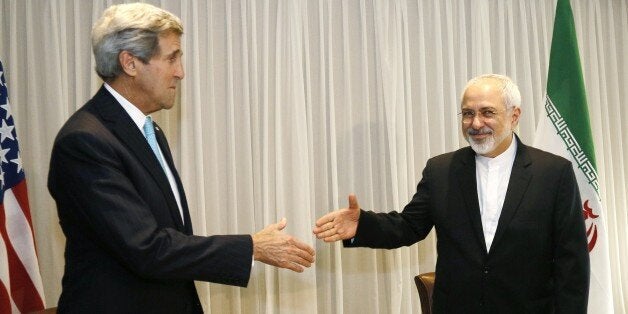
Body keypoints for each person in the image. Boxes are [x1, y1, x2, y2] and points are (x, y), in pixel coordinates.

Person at [47, 3, 314, 313]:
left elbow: (170, 239)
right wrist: (252, 247)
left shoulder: (149, 130)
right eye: (172, 57)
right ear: (130, 63)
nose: (181, 72)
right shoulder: (85, 141)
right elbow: (147, 249)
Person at [313, 74, 589, 313]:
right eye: (468, 113)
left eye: (487, 112)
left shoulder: (553, 173)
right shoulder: (441, 170)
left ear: (514, 116)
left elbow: (571, 263)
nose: (475, 123)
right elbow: (408, 226)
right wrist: (363, 224)